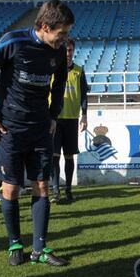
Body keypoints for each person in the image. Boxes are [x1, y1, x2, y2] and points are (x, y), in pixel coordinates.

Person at [0, 0, 74, 266]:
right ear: (44, 26)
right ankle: (14, 242)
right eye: (61, 32)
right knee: (11, 188)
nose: (65, 38)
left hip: (40, 128)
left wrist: (53, 115)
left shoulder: (58, 51)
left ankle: (40, 249)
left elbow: (60, 84)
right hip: (11, 129)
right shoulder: (12, 41)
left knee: (41, 185)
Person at [51, 38, 88, 203]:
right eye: (65, 50)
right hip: (54, 119)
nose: (68, 53)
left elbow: (84, 95)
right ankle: (55, 190)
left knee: (69, 156)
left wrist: (85, 115)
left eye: (70, 50)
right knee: (54, 156)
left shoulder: (79, 71)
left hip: (72, 118)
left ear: (73, 51)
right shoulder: (51, 69)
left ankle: (68, 190)